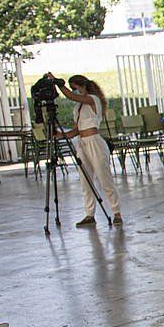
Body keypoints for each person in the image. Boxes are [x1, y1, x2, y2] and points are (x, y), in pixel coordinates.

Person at [48, 73, 122, 226]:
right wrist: (60, 135)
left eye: (75, 88)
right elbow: (76, 130)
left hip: (95, 142)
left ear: (82, 86)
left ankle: (116, 212)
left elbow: (71, 96)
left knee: (104, 178)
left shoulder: (93, 100)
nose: (74, 91)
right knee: (85, 180)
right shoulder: (78, 107)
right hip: (82, 143)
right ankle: (89, 214)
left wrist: (58, 84)